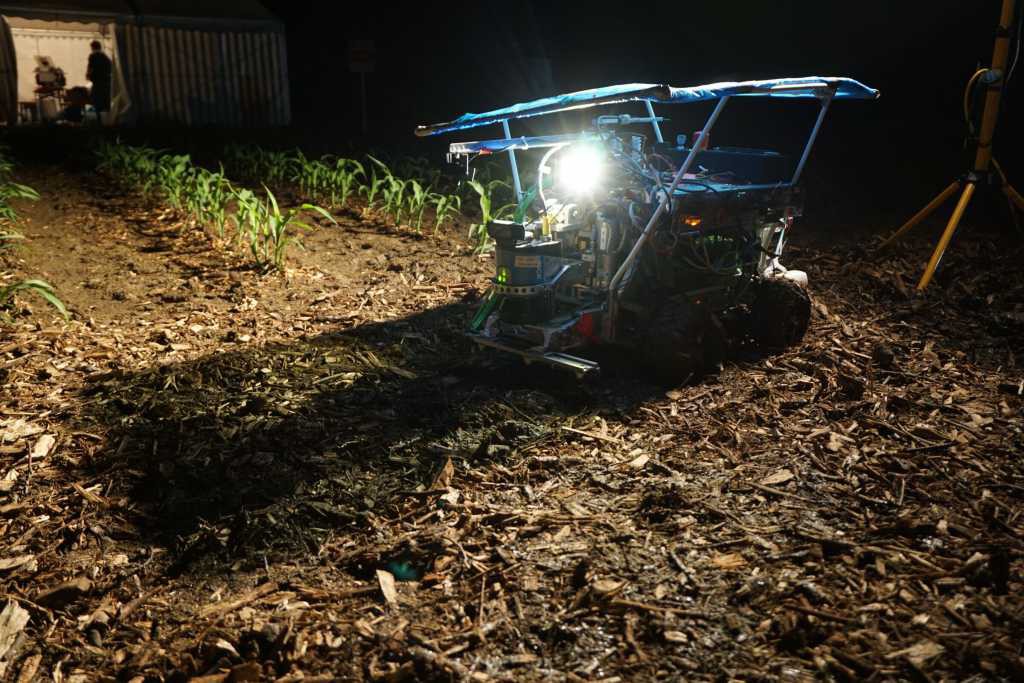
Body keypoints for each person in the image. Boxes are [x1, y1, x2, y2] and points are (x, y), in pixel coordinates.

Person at [86, 40, 112, 120]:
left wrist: (88, 75)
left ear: (92, 47)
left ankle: (94, 120)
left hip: (98, 83)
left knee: (93, 103)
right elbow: (110, 68)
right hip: (107, 83)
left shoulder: (93, 56)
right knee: (106, 103)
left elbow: (90, 68)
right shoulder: (105, 56)